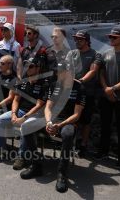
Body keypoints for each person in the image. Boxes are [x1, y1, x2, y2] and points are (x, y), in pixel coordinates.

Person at [19, 62, 85, 193]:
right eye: (58, 70)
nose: (58, 73)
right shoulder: (54, 85)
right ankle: (36, 165)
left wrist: (59, 125)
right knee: (27, 127)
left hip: (67, 122)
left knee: (67, 134)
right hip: (51, 120)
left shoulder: (79, 87)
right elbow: (48, 107)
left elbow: (77, 114)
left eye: (61, 71)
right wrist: (49, 122)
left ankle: (62, 173)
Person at [0, 57, 48, 169]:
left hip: (36, 115)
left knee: (24, 126)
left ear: (38, 68)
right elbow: (16, 99)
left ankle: (21, 157)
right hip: (21, 111)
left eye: (31, 66)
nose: (28, 69)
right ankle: (2, 150)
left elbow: (39, 105)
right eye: (26, 66)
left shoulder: (44, 84)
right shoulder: (23, 81)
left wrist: (23, 118)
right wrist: (13, 113)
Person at [96, 27, 120, 168]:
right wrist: (106, 89)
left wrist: (112, 89)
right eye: (110, 37)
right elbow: (101, 73)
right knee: (105, 126)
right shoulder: (104, 54)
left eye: (115, 37)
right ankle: (103, 152)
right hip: (105, 97)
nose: (111, 39)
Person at [68, 30, 102, 156]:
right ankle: (70, 143)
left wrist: (80, 81)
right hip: (72, 93)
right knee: (72, 119)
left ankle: (83, 145)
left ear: (87, 41)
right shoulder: (71, 53)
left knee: (86, 120)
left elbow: (93, 71)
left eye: (80, 39)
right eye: (76, 39)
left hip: (88, 92)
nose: (77, 41)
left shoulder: (96, 54)